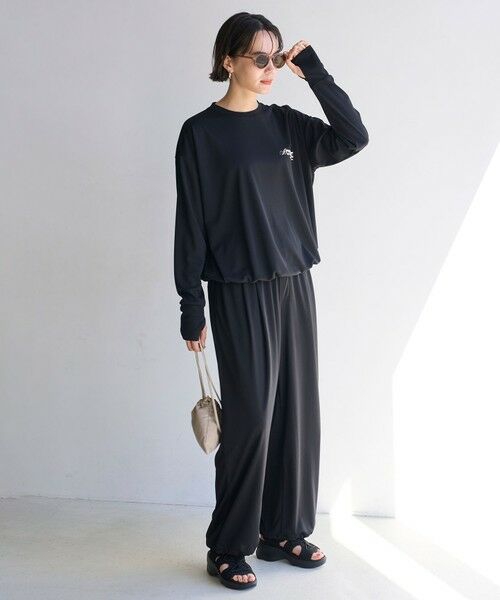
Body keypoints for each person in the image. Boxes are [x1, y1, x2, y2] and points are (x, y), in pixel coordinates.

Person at [173, 11, 369, 591]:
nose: (269, 69)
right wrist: (191, 303)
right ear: (228, 60)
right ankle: (228, 544)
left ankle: (283, 532)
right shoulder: (200, 134)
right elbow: (190, 223)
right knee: (252, 420)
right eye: (259, 58)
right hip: (237, 289)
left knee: (296, 413)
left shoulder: (287, 125)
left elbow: (353, 136)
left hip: (294, 283)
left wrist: (314, 71)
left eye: (276, 58)